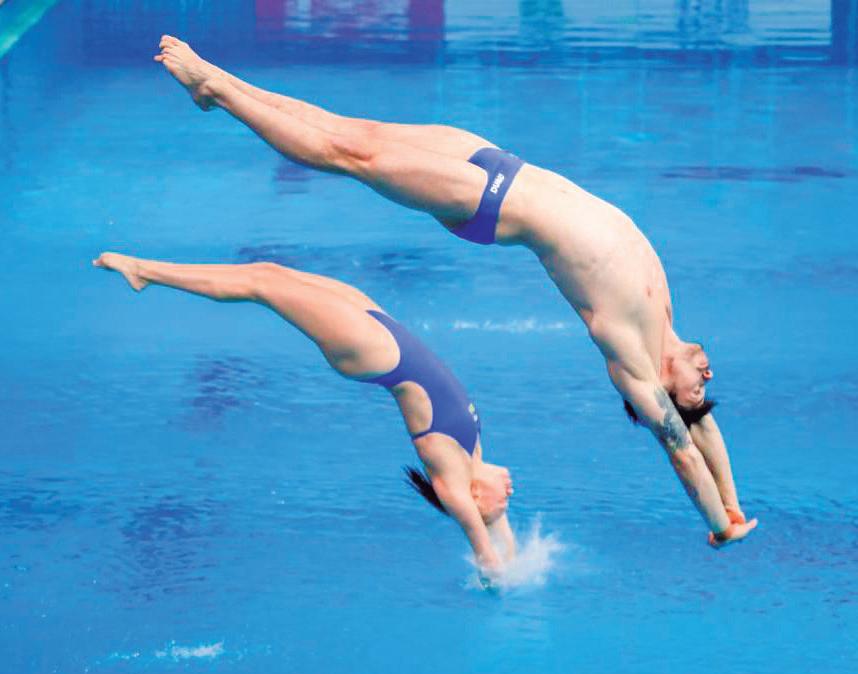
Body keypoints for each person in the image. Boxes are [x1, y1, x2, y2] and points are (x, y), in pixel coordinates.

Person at [152, 36, 758, 548]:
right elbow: (705, 431)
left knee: (350, 155)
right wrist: (733, 502)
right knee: (353, 131)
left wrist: (717, 525)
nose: (707, 376)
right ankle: (219, 84)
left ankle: (216, 89)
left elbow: (684, 447)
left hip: (488, 203)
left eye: (698, 390)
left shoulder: (633, 366)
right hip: (499, 163)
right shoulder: (664, 318)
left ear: (666, 396)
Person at [93, 252, 516, 573]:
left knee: (260, 285)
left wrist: (497, 578)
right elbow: (502, 536)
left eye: (500, 505)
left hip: (373, 351)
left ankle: (143, 271)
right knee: (268, 271)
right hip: (384, 331)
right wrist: (511, 551)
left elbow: (484, 549)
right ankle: (145, 270)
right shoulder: (473, 458)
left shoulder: (453, 481)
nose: (510, 495)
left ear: (476, 499)